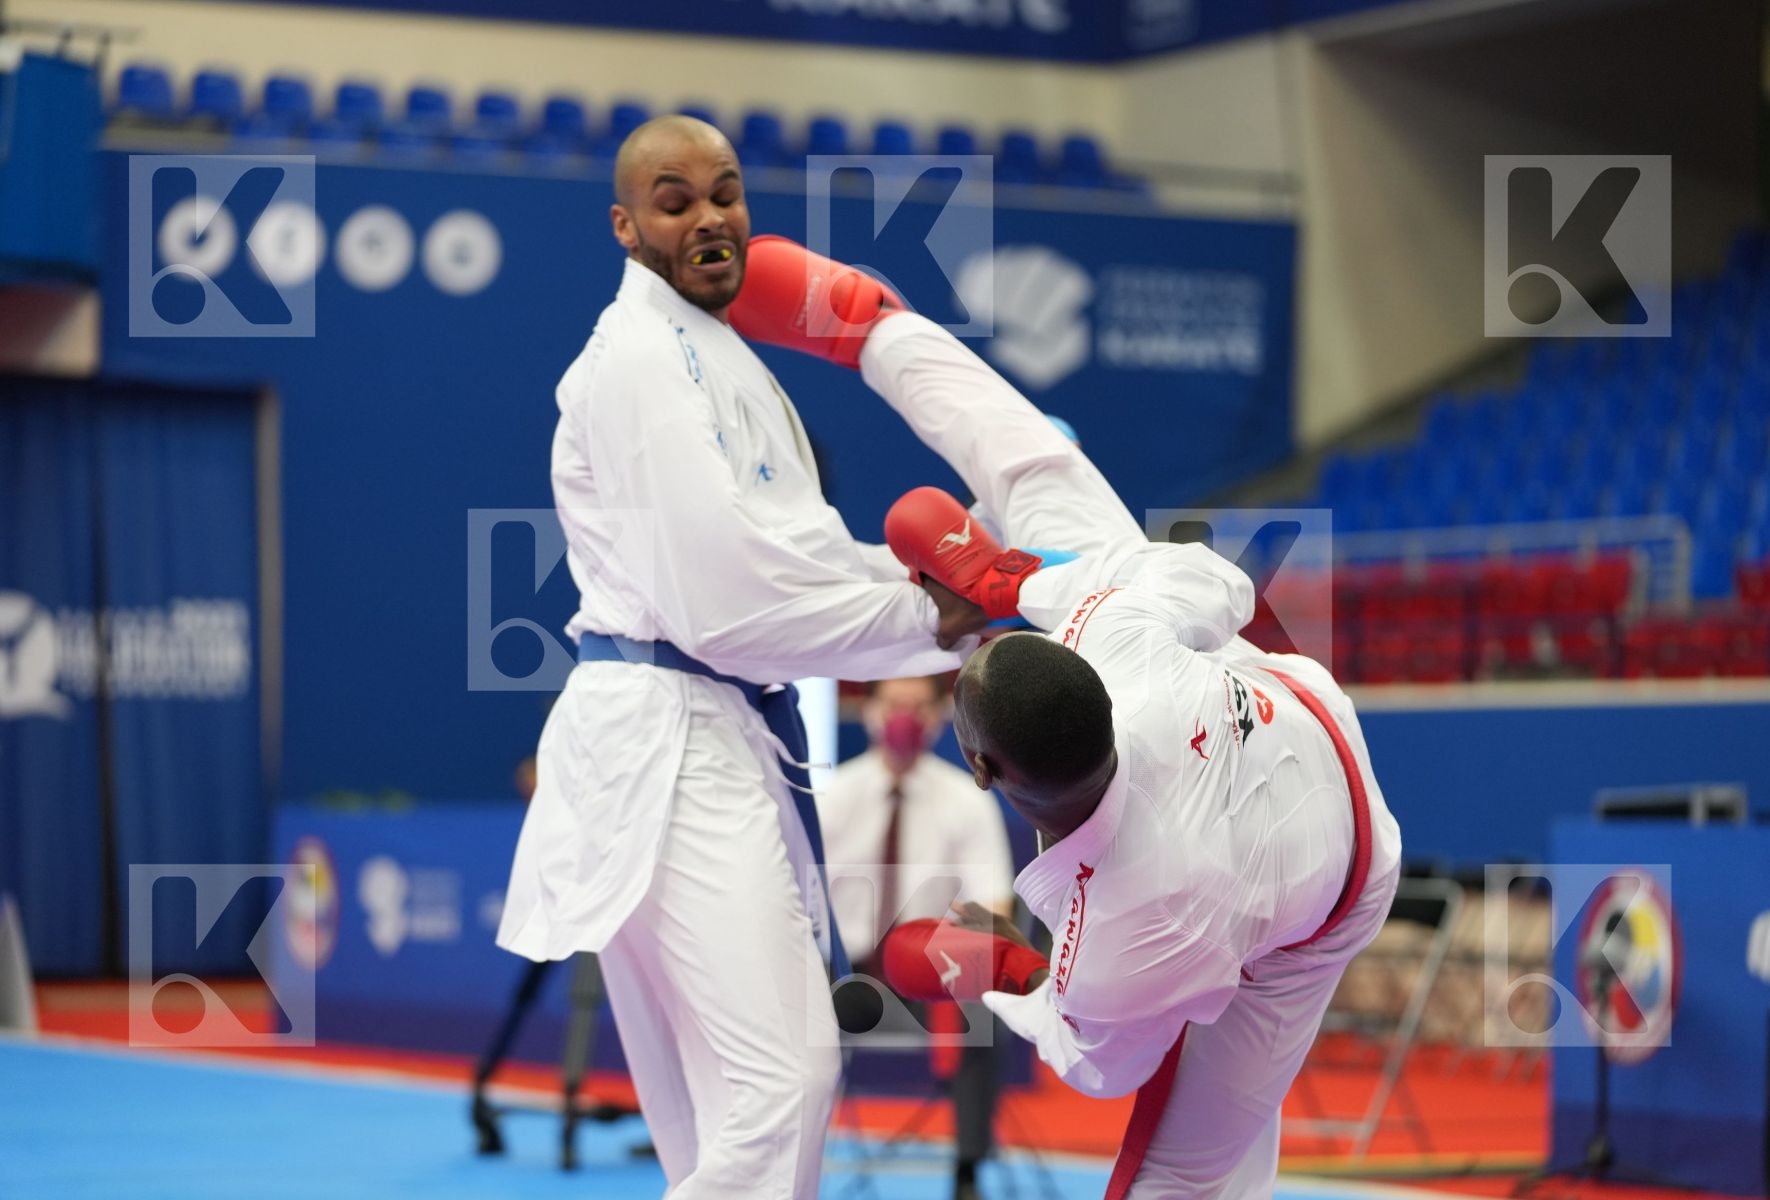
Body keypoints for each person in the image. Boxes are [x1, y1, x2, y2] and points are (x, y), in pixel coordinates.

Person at [727, 235, 1404, 1198]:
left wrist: (1001, 970)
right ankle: (871, 327)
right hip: (1305, 748)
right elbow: (1217, 582)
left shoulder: (1120, 932)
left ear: (982, 769)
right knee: (1048, 484)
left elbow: (1099, 1067)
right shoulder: (1119, 648)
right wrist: (1009, 580)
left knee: (1173, 1174)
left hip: (1313, 908)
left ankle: (885, 340)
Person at [494, 117, 984, 1200]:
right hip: (669, 737)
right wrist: (937, 616)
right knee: (782, 1079)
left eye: (725, 193)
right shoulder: (639, 361)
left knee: (720, 1110)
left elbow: (804, 557)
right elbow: (727, 603)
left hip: (694, 728)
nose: (709, 217)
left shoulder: (719, 356)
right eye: (675, 202)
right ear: (627, 227)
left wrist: (957, 585)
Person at [817, 675, 1014, 1200]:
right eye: (894, 704)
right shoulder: (832, 797)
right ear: (868, 711)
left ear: (939, 716)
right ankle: (783, 1155)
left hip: (930, 979)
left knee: (983, 1008)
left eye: (918, 706)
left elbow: (994, 905)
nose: (904, 717)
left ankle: (968, 1171)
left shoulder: (968, 800)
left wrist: (962, 953)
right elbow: (797, 896)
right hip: (844, 976)